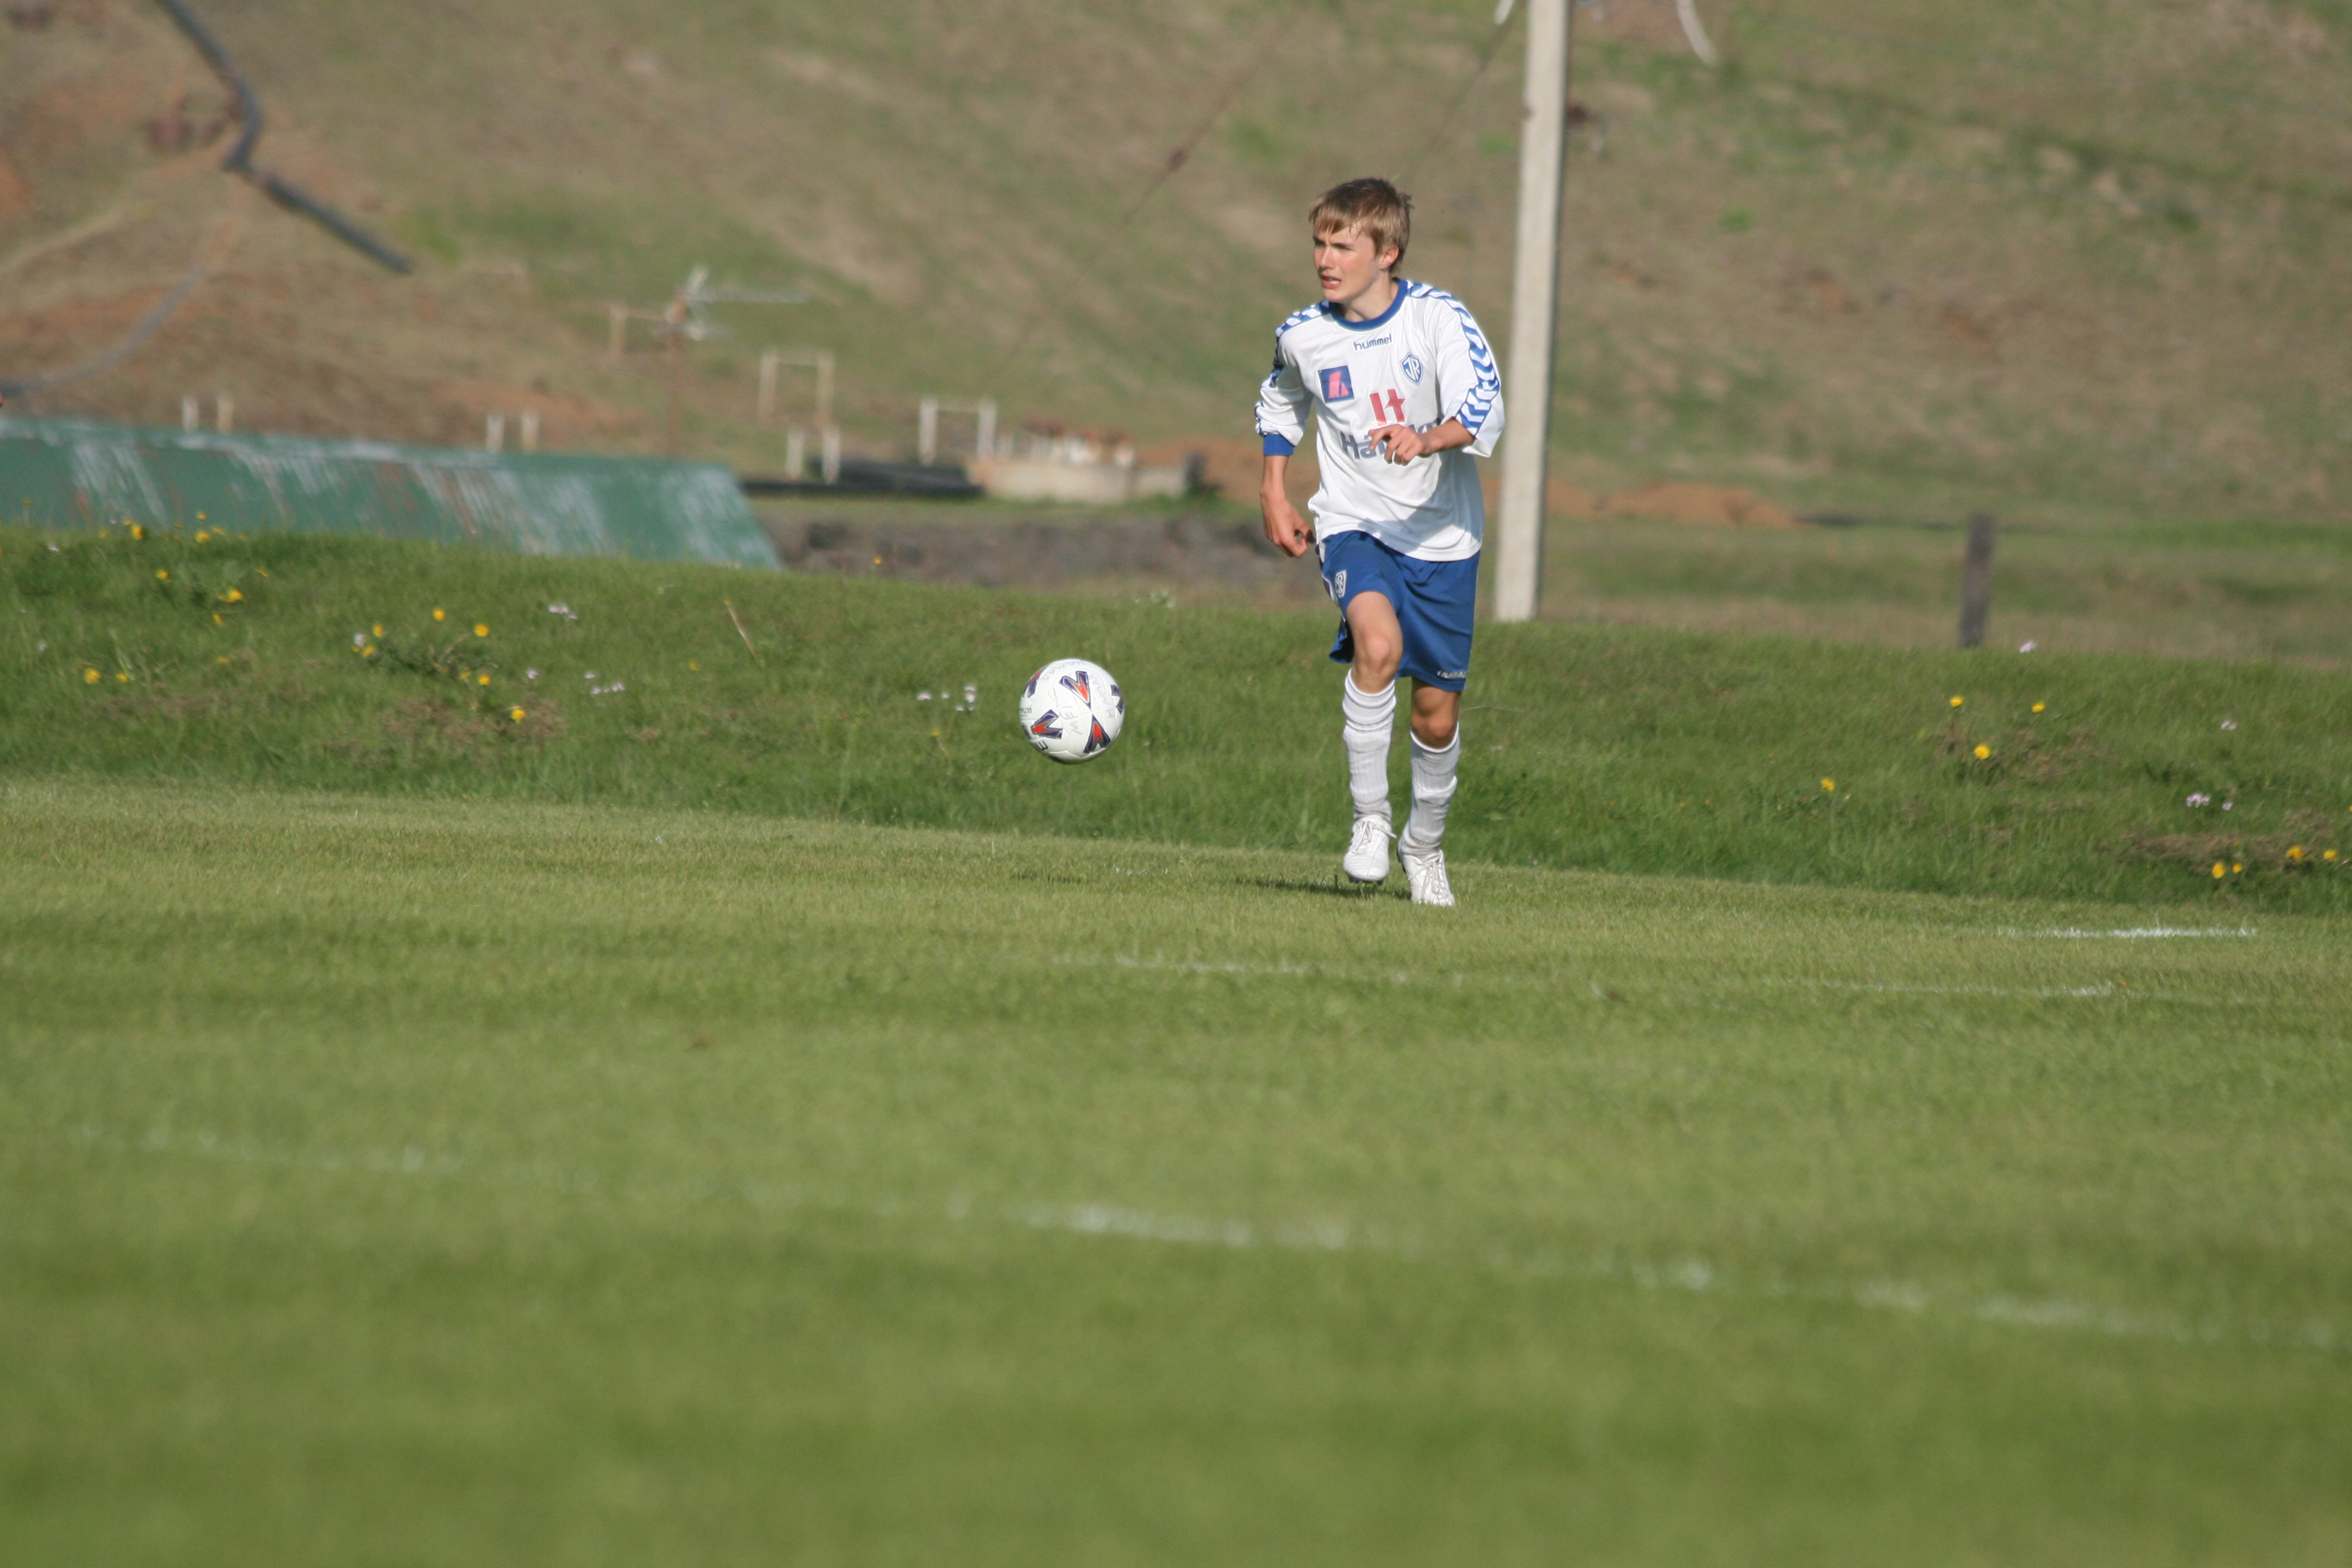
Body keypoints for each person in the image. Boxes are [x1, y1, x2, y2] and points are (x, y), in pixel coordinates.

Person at [1254, 177, 1504, 906]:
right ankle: (1370, 821)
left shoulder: (1437, 319)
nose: (1324, 260)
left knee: (1436, 716)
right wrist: (1273, 490)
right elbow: (1280, 398)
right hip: (1353, 523)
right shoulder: (1302, 333)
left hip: (1443, 537)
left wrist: (1426, 438)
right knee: (1377, 645)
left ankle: (1423, 846)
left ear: (1387, 253)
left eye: (1343, 246)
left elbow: (1483, 405)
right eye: (1319, 244)